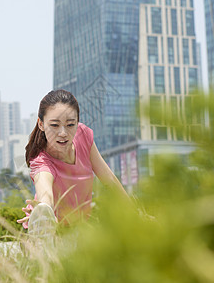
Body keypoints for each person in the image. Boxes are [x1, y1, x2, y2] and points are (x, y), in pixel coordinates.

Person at [17, 89, 130, 236]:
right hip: (50, 232)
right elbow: (45, 193)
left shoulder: (83, 135)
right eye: (54, 125)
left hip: (79, 227)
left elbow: (109, 179)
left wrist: (136, 214)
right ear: (41, 124)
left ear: (77, 122)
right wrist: (43, 211)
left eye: (70, 125)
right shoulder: (41, 161)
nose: (63, 133)